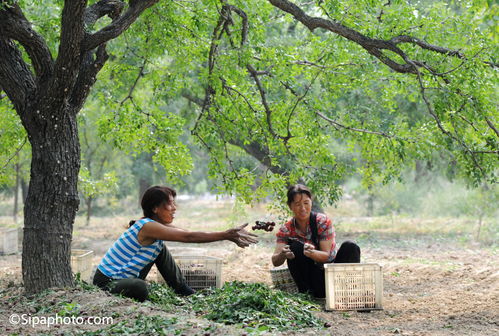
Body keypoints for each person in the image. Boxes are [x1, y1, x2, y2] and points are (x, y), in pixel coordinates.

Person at [93, 185, 258, 302]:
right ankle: (181, 291)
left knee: (159, 248)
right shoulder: (147, 226)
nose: (174, 208)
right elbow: (188, 237)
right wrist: (225, 235)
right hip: (108, 282)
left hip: (125, 277)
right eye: (170, 204)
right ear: (155, 208)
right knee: (140, 287)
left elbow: (187, 232)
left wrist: (225, 233)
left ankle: (183, 290)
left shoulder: (155, 226)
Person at [272, 184, 360, 298]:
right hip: (313, 279)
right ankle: (308, 294)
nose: (303, 208)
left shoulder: (322, 222)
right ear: (290, 206)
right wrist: (283, 254)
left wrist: (312, 253)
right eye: (297, 204)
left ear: (311, 202)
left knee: (350, 246)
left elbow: (327, 256)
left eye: (306, 203)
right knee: (295, 247)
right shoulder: (286, 229)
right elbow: (275, 261)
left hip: (334, 274)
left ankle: (348, 293)